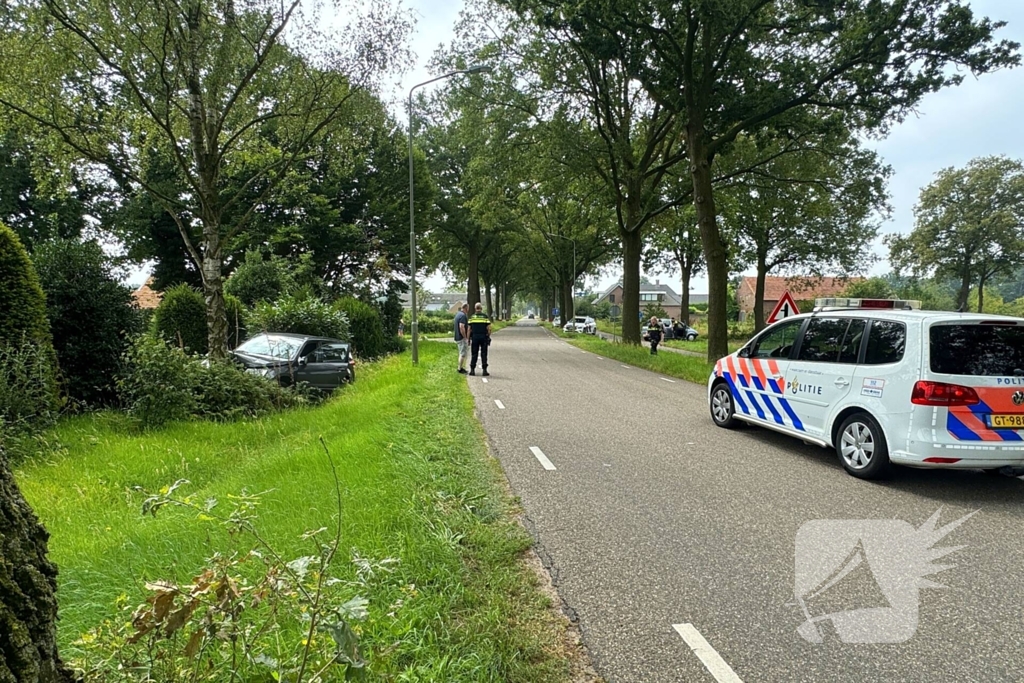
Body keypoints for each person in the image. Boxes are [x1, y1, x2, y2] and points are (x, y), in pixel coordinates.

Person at [467, 302, 492, 376]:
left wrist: (468, 339)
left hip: (475, 337)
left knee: (474, 353)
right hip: (483, 336)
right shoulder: (485, 317)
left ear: (475, 308)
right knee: (484, 353)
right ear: (481, 308)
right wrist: (488, 336)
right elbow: (489, 328)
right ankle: (484, 370)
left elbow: (469, 329)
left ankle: (472, 370)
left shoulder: (472, 317)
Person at [454, 303, 470, 374]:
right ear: (466, 308)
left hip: (457, 336)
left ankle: (460, 367)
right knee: (462, 353)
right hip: (461, 337)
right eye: (468, 308)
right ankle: (459, 369)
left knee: (461, 352)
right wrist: (465, 337)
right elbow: (461, 327)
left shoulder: (458, 314)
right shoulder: (463, 316)